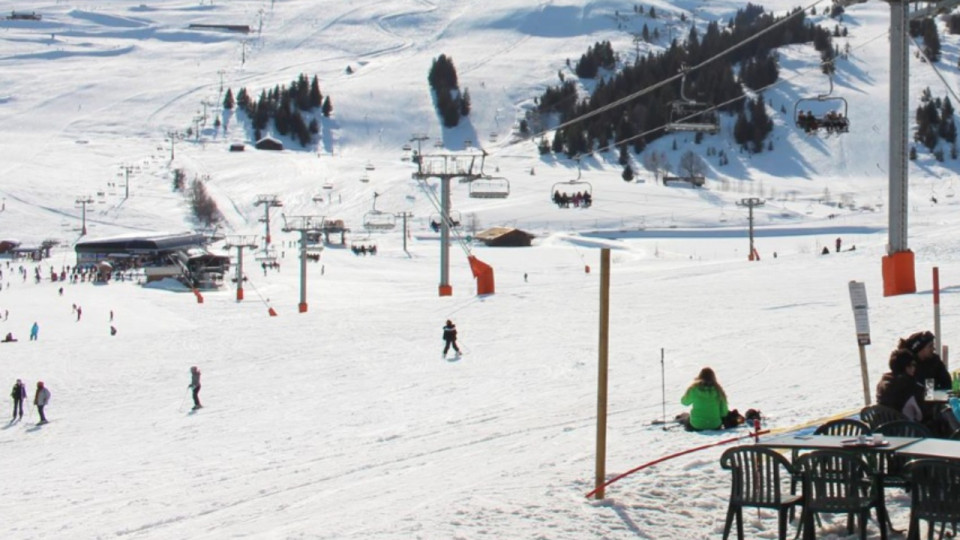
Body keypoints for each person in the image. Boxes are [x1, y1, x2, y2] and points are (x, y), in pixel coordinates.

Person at [876, 348, 924, 422]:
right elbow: (921, 414)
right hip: (907, 427)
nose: (914, 368)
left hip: (884, 426)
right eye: (913, 365)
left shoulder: (883, 383)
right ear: (906, 367)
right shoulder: (910, 386)